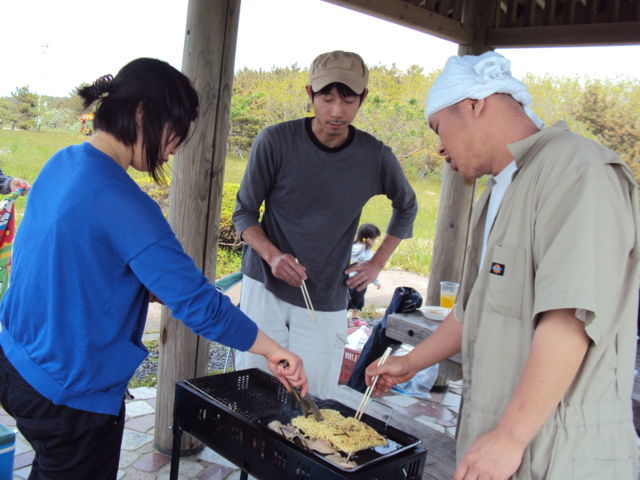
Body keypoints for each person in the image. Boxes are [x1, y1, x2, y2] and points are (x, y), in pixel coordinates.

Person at [0, 58, 307, 480]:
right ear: (143, 112)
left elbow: (69, 258)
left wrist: (146, 285)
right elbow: (199, 306)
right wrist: (274, 350)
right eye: (175, 129)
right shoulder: (125, 202)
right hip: (69, 394)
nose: (176, 146)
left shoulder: (63, 161)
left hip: (15, 362)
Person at [366, 51, 640, 480]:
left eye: (438, 127)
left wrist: (511, 435)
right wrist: (411, 361)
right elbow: (474, 309)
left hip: (557, 447)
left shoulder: (577, 169)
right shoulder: (500, 189)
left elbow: (570, 318)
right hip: (498, 433)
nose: (439, 146)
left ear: (474, 105)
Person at [233, 50, 418, 398]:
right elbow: (243, 213)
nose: (336, 111)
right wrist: (273, 256)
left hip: (326, 295)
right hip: (264, 286)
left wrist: (376, 263)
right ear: (310, 94)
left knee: (313, 398)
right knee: (255, 392)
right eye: (327, 98)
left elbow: (406, 206)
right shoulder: (275, 141)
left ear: (362, 98)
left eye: (348, 100)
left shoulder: (375, 156)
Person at [348, 223, 381, 327]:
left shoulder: (352, 247)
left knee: (346, 300)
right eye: (375, 239)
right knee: (357, 302)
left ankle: (341, 319)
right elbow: (370, 270)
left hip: (347, 280)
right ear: (369, 240)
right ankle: (354, 320)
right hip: (360, 281)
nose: (375, 242)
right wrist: (376, 282)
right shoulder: (367, 252)